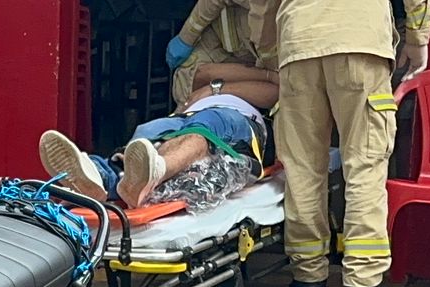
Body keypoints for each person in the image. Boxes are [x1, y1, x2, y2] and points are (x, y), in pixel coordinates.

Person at [264, 0, 430, 287]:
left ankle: (307, 275)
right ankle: (363, 280)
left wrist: (271, 53)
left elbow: (262, 7)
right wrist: (417, 38)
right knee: (365, 162)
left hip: (298, 43)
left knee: (302, 167)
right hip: (359, 40)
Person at [39, 68, 276, 208]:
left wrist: (214, 89)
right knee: (147, 133)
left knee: (201, 130)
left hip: (237, 118)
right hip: (184, 116)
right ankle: (102, 177)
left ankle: (156, 172)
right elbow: (204, 71)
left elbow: (276, 87)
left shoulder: (275, 65)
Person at [165, 0, 273, 106]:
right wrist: (186, 37)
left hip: (262, 58)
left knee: (190, 88)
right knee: (185, 86)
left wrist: (215, 90)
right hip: (220, 36)